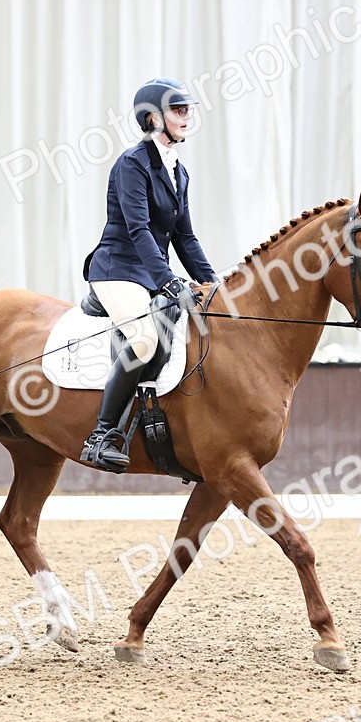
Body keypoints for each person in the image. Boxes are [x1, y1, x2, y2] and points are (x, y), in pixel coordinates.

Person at [79, 77, 219, 473]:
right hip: (118, 270)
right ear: (152, 118)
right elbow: (139, 230)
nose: (187, 116)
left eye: (188, 109)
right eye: (179, 110)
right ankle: (102, 433)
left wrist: (212, 284)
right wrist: (168, 279)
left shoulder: (179, 171)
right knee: (143, 339)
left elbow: (185, 237)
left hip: (150, 271)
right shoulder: (132, 164)